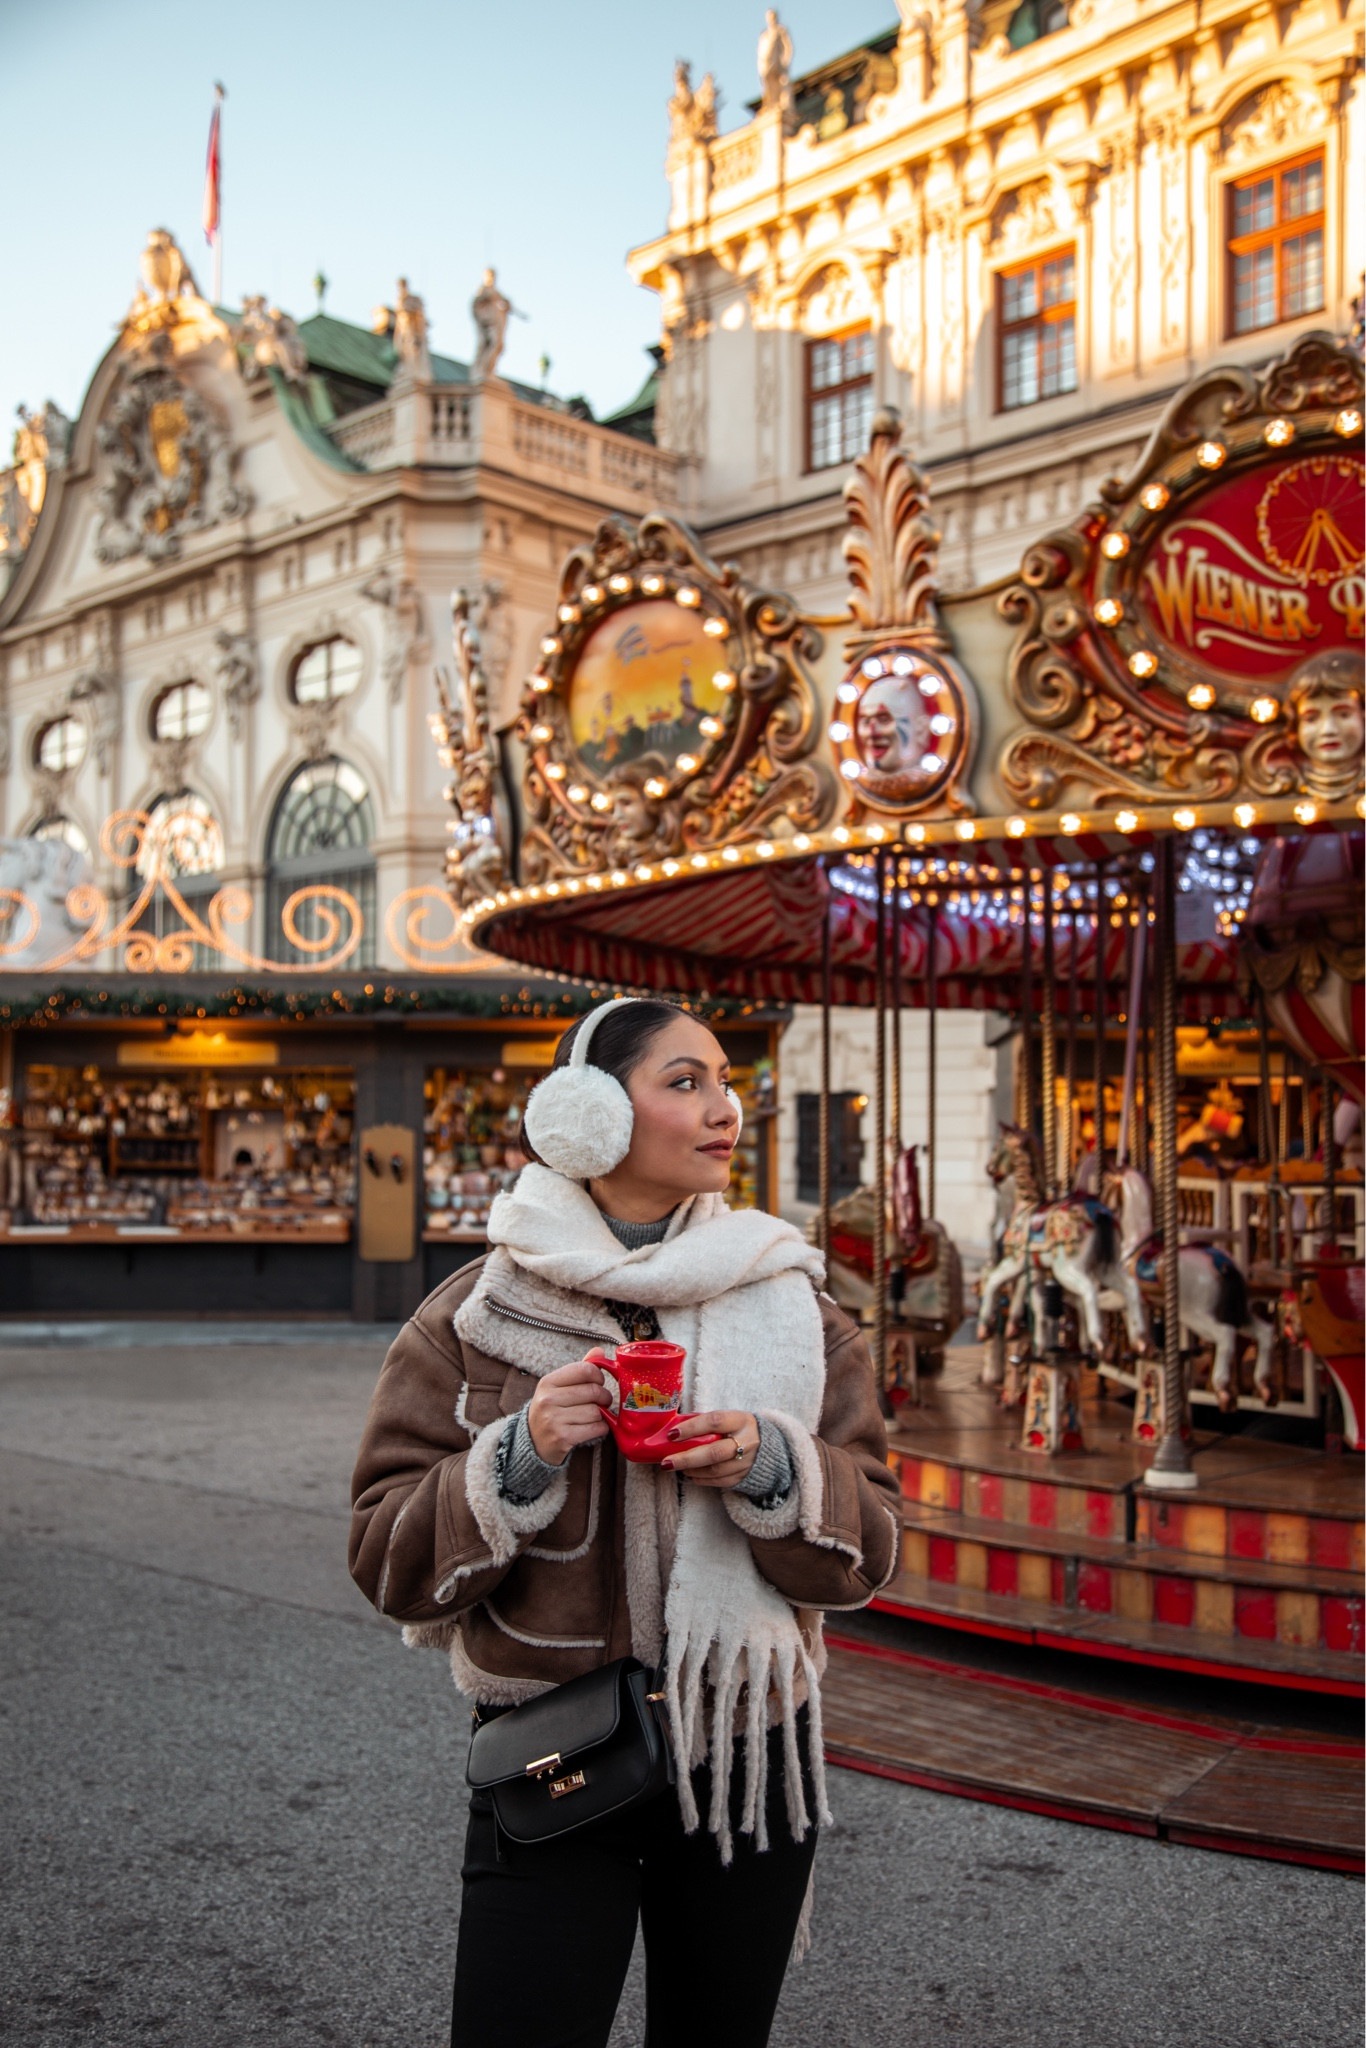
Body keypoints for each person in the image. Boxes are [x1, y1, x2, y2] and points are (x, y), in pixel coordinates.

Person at [350, 995, 898, 2048]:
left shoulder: (794, 1303)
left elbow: (869, 1547)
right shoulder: (476, 1315)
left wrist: (774, 1465)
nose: (724, 1108)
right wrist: (518, 1454)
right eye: (684, 1081)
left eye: (726, 1081)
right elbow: (384, 1557)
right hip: (557, 1753)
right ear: (586, 1116)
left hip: (748, 1755)